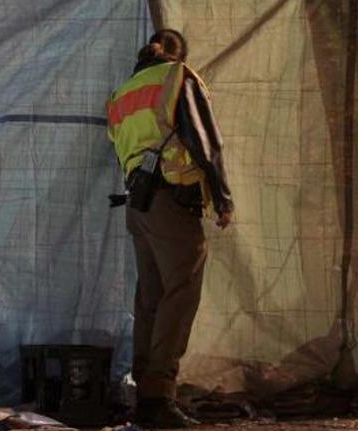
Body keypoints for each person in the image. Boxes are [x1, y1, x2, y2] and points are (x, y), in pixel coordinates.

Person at [106, 29, 234, 428]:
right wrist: (222, 197)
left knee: (151, 298)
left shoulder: (122, 95)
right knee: (181, 291)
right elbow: (205, 141)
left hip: (138, 205)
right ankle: (159, 396)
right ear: (178, 54)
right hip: (171, 203)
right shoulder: (178, 78)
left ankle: (145, 394)